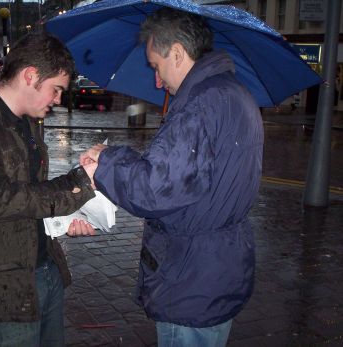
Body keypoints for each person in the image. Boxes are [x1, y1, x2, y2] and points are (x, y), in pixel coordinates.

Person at [81, 8, 264, 347]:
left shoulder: (199, 105)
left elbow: (156, 189)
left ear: (177, 53)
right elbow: (184, 174)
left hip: (190, 277)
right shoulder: (234, 93)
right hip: (218, 267)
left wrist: (106, 161)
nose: (156, 79)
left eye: (156, 65)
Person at [0, 31, 97, 347]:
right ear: (30, 76)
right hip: (0, 289)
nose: (58, 100)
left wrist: (66, 218)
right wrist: (79, 184)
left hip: (44, 270)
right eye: (56, 89)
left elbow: (31, 194)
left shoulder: (28, 121)